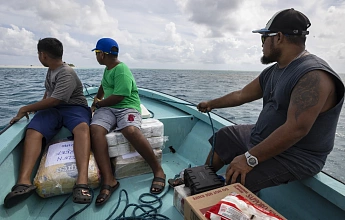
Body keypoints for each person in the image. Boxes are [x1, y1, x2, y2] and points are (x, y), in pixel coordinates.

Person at [197, 8, 344, 193]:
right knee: (224, 137)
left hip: (297, 155)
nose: (262, 44)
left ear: (279, 37)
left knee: (241, 177)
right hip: (261, 136)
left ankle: (225, 200)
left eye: (264, 37)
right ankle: (201, 182)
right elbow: (241, 95)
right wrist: (211, 103)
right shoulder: (274, 71)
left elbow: (296, 129)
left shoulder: (313, 75)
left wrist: (249, 158)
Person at [3, 38, 92, 208]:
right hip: (54, 108)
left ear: (43, 55)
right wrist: (38, 108)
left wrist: (25, 109)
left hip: (74, 107)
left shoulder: (66, 72)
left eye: (38, 54)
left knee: (82, 128)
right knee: (33, 130)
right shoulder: (51, 69)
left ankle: (82, 182)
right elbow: (49, 92)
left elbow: (55, 100)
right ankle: (23, 182)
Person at [90, 38, 166, 206]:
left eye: (96, 53)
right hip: (108, 108)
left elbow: (120, 96)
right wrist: (96, 101)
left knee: (130, 130)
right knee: (95, 129)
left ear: (102, 54)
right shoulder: (108, 69)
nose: (96, 56)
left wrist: (99, 104)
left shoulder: (121, 70)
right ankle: (109, 180)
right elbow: (103, 86)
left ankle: (158, 171)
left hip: (126, 107)